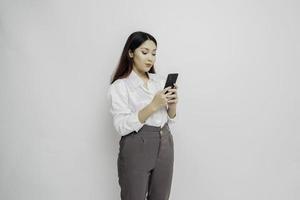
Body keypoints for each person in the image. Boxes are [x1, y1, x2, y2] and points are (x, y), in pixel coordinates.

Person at [107, 31, 179, 200]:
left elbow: (170, 119)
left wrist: (173, 105)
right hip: (136, 144)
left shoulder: (159, 81)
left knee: (161, 197)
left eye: (154, 53)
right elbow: (121, 126)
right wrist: (153, 106)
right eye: (144, 52)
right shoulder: (119, 87)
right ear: (131, 53)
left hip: (165, 142)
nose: (150, 58)